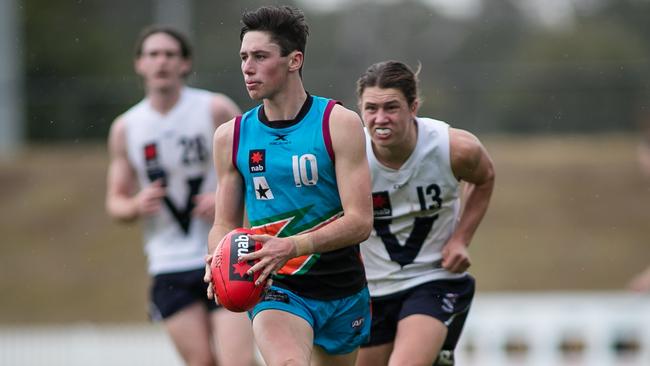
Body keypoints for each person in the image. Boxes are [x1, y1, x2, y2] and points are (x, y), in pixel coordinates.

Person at [204, 5, 373, 366]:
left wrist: (292, 245)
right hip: (275, 287)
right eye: (244, 57)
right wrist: (219, 258)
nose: (247, 67)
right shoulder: (231, 137)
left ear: (294, 60)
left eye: (260, 56)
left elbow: (361, 221)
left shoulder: (338, 123)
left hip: (342, 289)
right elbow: (224, 222)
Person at [105, 25, 255, 366]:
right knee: (201, 362)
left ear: (185, 63)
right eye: (153, 55)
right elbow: (115, 202)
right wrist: (134, 204)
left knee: (238, 361)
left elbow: (255, 163)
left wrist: (223, 196)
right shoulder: (126, 127)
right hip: (168, 264)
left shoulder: (214, 109)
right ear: (139, 64)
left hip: (223, 253)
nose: (162, 62)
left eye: (170, 55)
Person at [354, 61, 496, 366]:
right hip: (371, 289)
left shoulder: (453, 148)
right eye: (371, 108)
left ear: (413, 107)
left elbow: (484, 178)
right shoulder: (349, 156)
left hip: (432, 278)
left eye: (391, 107)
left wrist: (461, 239)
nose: (380, 119)